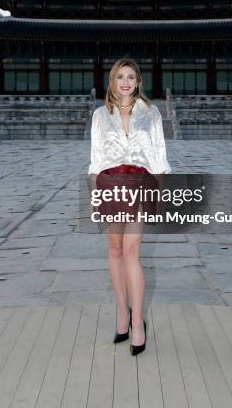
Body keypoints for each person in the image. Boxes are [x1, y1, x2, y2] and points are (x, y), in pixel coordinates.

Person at [88, 59, 171, 356]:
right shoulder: (100, 114)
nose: (125, 82)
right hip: (109, 184)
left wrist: (159, 193)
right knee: (114, 249)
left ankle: (138, 323)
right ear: (113, 81)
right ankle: (122, 313)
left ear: (138, 81)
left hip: (141, 183)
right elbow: (96, 158)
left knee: (132, 250)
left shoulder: (151, 113)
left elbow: (160, 155)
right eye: (120, 77)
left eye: (131, 77)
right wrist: (94, 196)